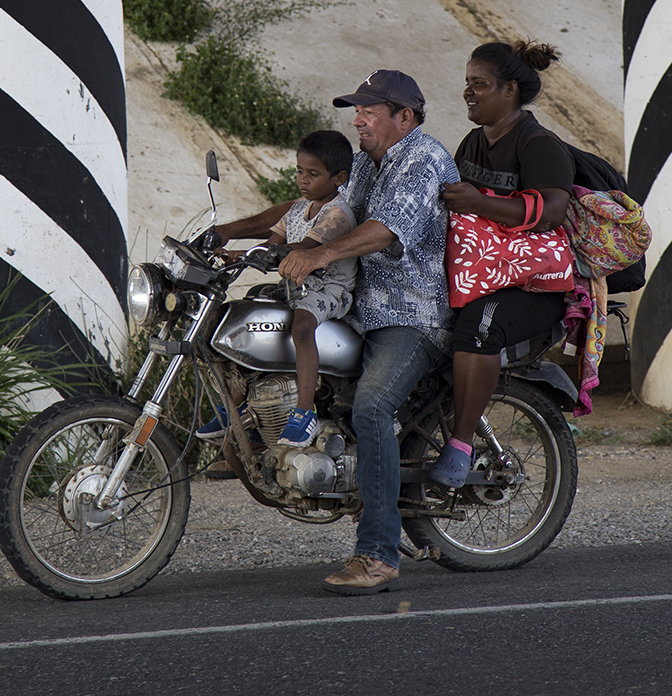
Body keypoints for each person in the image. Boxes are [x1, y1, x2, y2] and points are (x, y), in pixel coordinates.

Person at [222, 69, 459, 595]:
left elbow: (385, 230)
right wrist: (229, 232)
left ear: (405, 116)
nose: (358, 120)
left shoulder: (421, 160)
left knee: (372, 407)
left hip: (411, 317)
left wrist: (318, 253)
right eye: (357, 110)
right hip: (358, 311)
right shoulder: (368, 164)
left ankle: (378, 554)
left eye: (369, 111)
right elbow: (310, 209)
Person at [430, 41, 574, 487]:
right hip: (482, 271)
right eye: (467, 84)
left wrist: (479, 200)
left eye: (480, 84)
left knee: (479, 325)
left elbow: (550, 211)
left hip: (534, 285)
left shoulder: (539, 145)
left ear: (510, 89)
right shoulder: (473, 142)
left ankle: (460, 445)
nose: (469, 93)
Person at [194, 131, 357, 447]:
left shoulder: (338, 213)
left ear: (339, 178)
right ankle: (236, 405)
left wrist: (263, 254)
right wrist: (236, 255)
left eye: (313, 174)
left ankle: (303, 411)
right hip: (296, 284)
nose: (303, 180)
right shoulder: (298, 208)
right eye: (299, 171)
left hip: (329, 288)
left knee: (302, 327)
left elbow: (303, 248)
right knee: (252, 308)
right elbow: (271, 246)